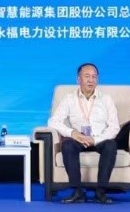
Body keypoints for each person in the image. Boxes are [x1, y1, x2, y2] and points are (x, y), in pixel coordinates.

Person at [48, 62, 121, 204]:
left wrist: (95, 139)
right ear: (78, 79)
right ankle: (78, 191)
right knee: (67, 145)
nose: (91, 80)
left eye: (94, 77)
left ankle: (101, 192)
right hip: (78, 138)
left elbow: (114, 127)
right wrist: (72, 133)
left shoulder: (106, 99)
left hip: (99, 138)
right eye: (87, 76)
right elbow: (53, 121)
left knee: (111, 145)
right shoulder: (69, 99)